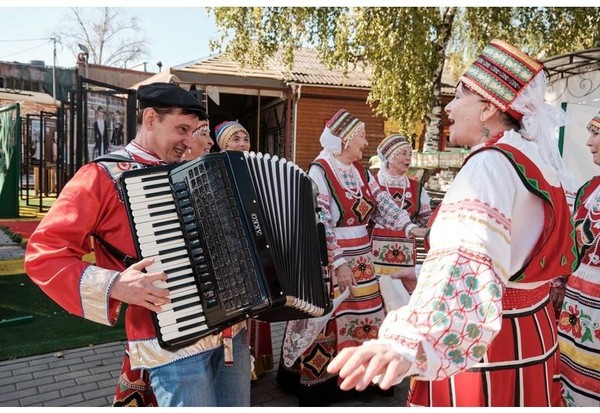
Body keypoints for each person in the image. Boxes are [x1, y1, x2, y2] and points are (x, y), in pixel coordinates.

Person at [326, 39, 579, 407]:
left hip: (486, 342)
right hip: (533, 330)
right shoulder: (541, 166)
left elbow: (466, 266)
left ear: (488, 109)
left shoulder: (490, 164)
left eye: (460, 95)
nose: (449, 106)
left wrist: (409, 340)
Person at [24, 82, 251, 407]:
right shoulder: (101, 175)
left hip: (233, 334)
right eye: (181, 129)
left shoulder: (196, 167)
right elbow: (43, 255)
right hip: (173, 344)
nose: (189, 141)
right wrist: (115, 284)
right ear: (150, 119)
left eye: (194, 131)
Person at [276, 108, 427, 406]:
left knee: (368, 315)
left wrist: (409, 226)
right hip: (334, 259)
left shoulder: (359, 170)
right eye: (360, 136)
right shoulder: (320, 170)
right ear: (344, 140)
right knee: (331, 317)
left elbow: (381, 202)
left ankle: (364, 379)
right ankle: (323, 384)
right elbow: (321, 222)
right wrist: (339, 262)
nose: (365, 143)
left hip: (363, 256)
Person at [214, 119, 274, 380]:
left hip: (254, 246)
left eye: (245, 138)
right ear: (222, 144)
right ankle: (230, 367)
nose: (242, 144)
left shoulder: (256, 168)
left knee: (259, 299)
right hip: (227, 250)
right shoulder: (213, 168)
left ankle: (254, 366)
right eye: (235, 139)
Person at [555, 110, 600, 407]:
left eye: (596, 133)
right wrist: (559, 281)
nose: (588, 141)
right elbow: (573, 248)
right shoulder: (589, 191)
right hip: (576, 313)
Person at [371, 134, 432, 311]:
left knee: (403, 298)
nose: (408, 158)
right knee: (378, 298)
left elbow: (426, 217)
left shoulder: (416, 187)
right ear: (389, 157)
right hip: (375, 252)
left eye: (410, 154)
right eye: (403, 153)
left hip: (405, 254)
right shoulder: (373, 185)